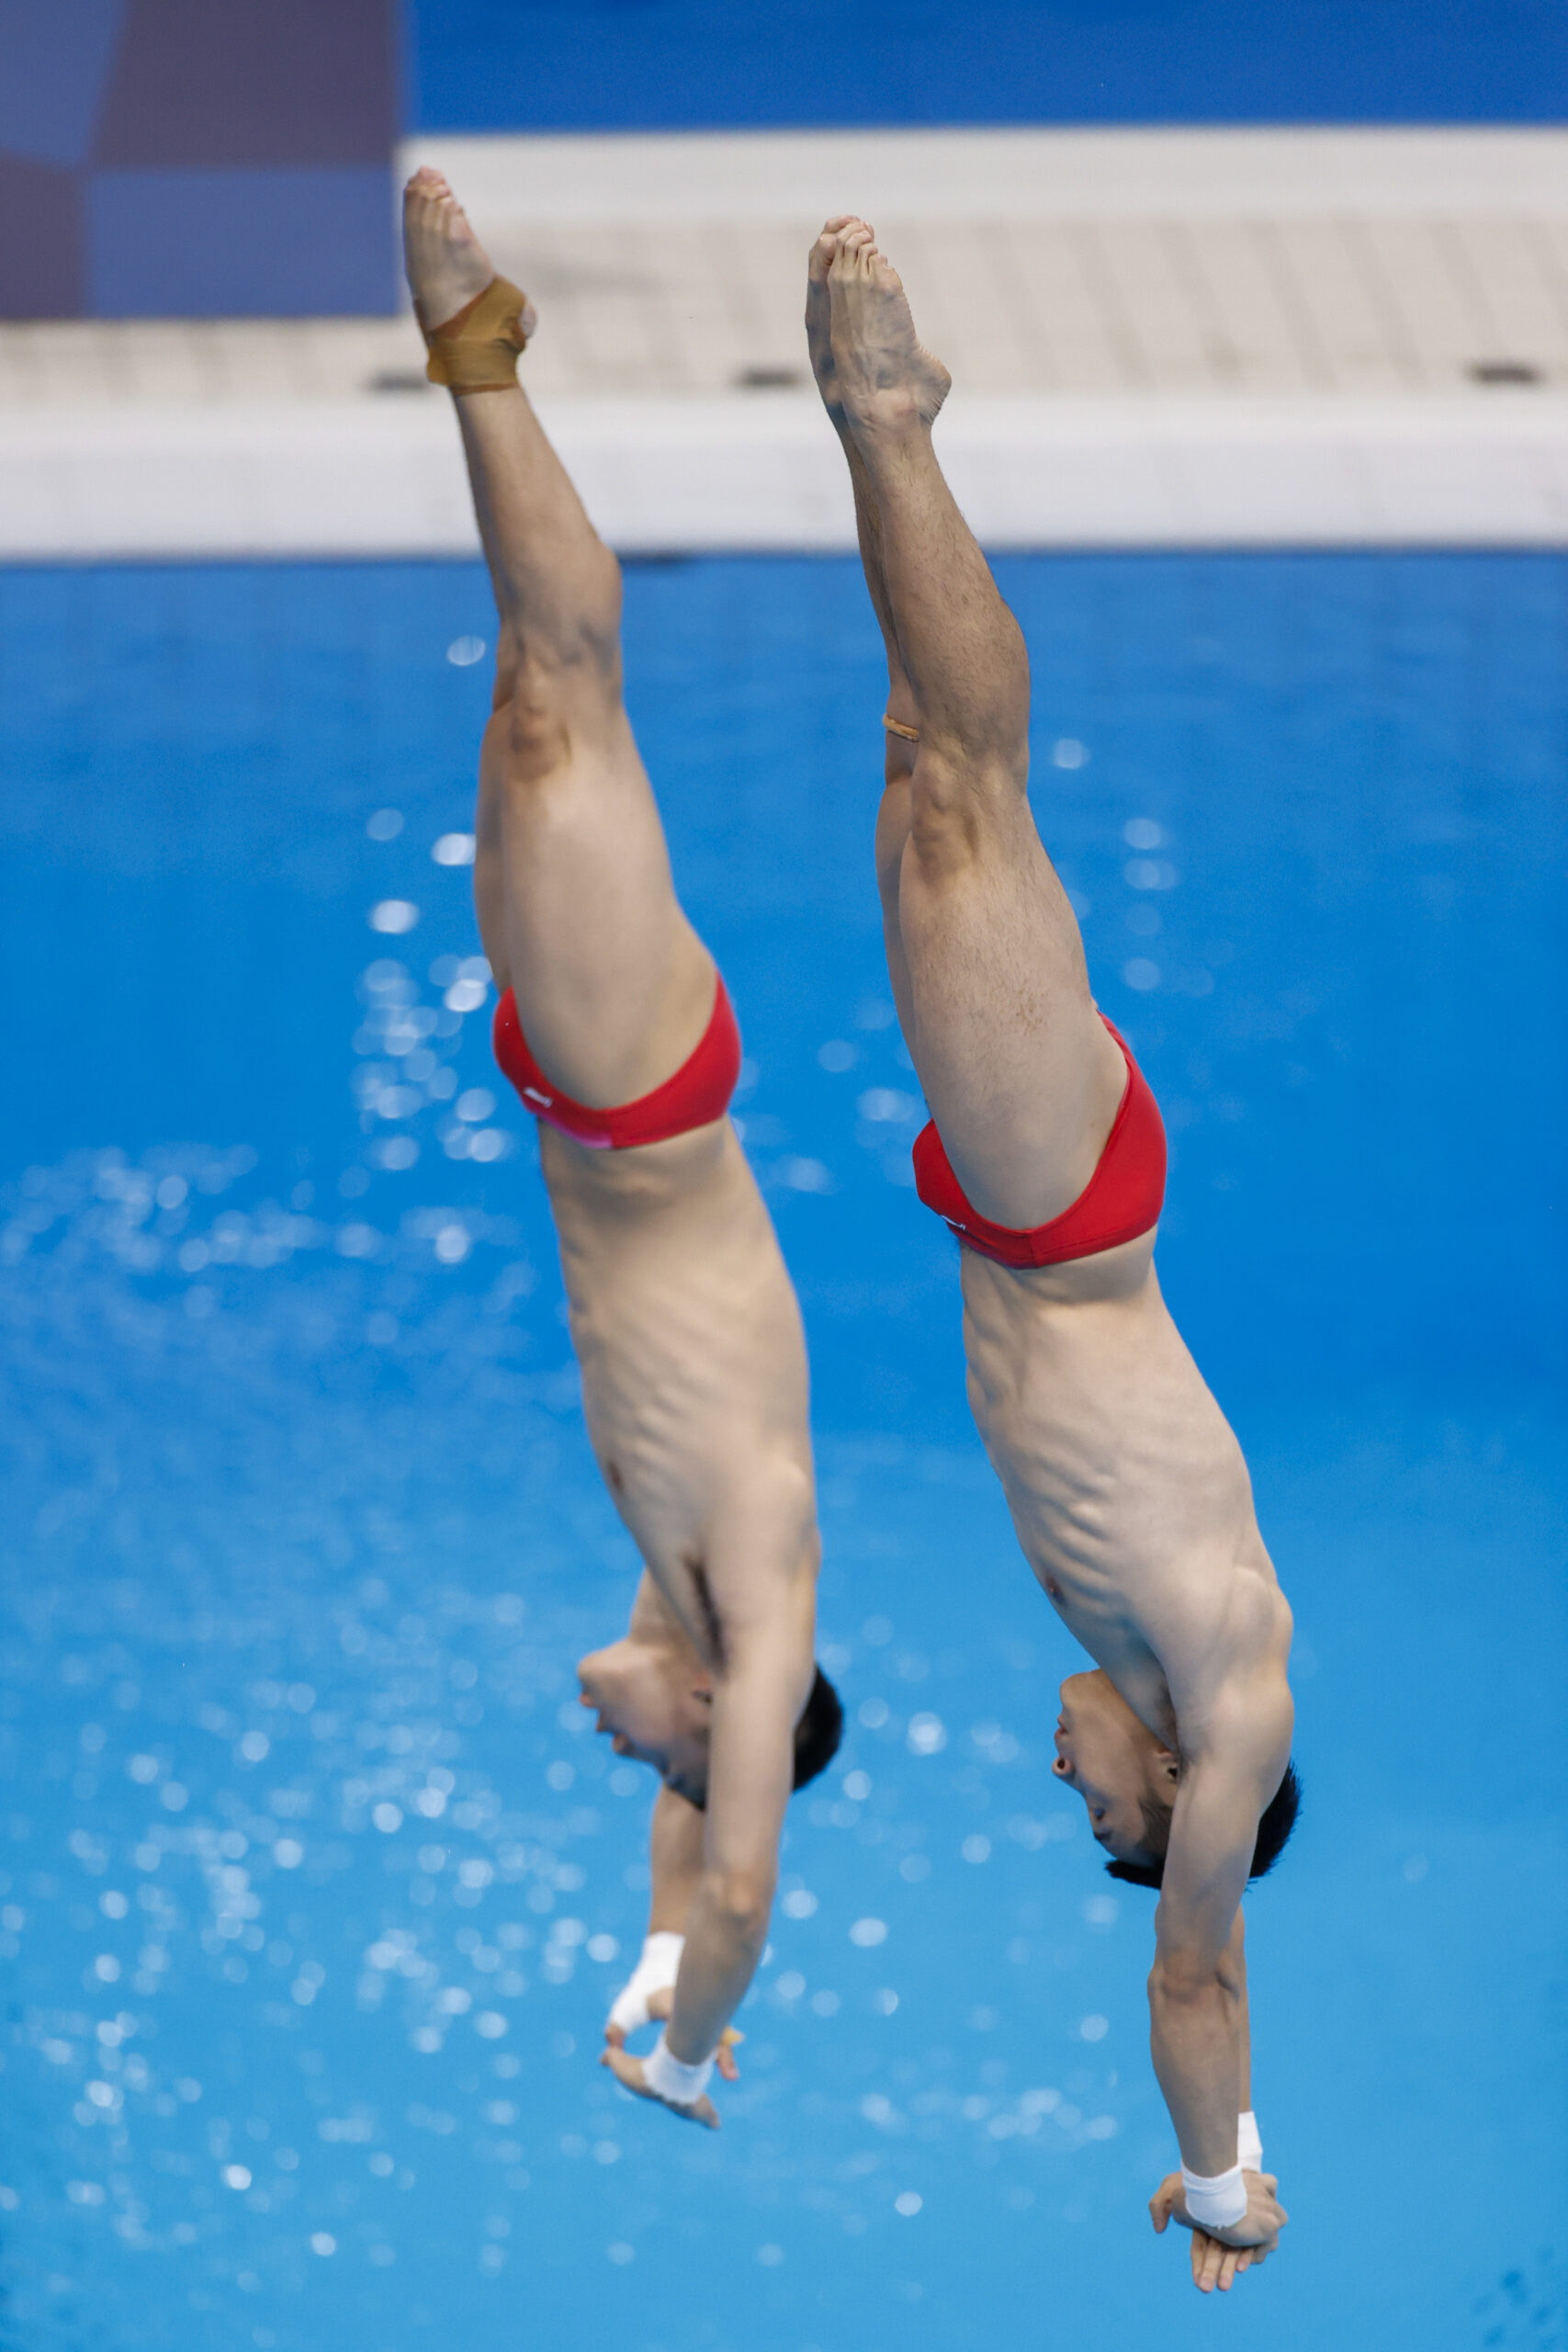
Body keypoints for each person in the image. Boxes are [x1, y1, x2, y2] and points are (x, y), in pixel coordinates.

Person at [807, 218, 1298, 2293]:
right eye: (1103, 1811)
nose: (1063, 1773)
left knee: (924, 775)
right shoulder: (1230, 1689)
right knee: (961, 798)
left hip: (1014, 1209)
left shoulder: (1139, 1640)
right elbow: (1196, 1978)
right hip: (1062, 1210)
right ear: (1180, 1790)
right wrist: (1223, 2179)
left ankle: (877, 444)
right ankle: (893, 421)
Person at [400, 167, 842, 2130]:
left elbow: (684, 1874)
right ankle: (477, 357)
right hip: (635, 1086)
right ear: (710, 1728)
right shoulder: (749, 1578)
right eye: (657, 1757)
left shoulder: (679, 1582)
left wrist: (656, 1958)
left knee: (530, 709)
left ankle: (481, 372)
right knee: (554, 692)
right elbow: (734, 1858)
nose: (621, 1748)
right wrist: (681, 2041)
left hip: (581, 1085)